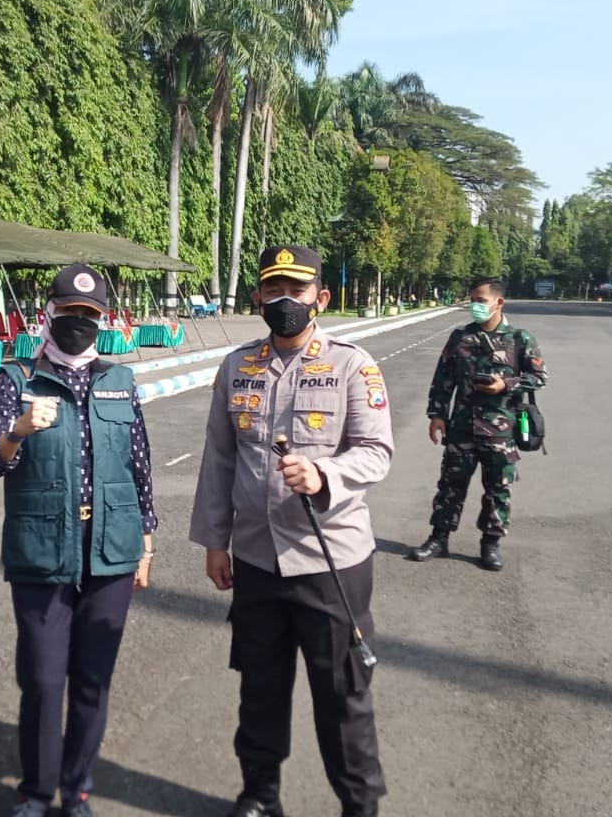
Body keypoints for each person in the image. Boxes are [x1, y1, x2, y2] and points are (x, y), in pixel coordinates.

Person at [190, 245, 394, 817]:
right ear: (257, 297)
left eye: (297, 291)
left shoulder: (353, 365)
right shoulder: (237, 366)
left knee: (342, 694)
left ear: (320, 299)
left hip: (330, 559)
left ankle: (360, 804)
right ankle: (259, 795)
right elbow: (219, 459)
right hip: (256, 557)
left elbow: (377, 451)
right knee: (259, 685)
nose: (285, 301)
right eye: (273, 290)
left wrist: (324, 472)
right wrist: (214, 540)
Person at [0, 263, 155, 817]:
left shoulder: (120, 382)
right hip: (42, 549)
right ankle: (36, 790)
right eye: (68, 312)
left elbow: (139, 465)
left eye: (89, 315)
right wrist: (17, 432)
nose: (78, 322)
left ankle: (76, 789)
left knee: (93, 680)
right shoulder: (16, 377)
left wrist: (146, 543)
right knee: (45, 680)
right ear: (47, 313)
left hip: (111, 549)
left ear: (103, 320)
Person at [407, 276, 548, 571]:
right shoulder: (460, 337)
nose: (475, 306)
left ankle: (490, 544)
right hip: (461, 427)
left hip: (500, 431)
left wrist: (505, 384)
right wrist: (436, 415)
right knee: (449, 486)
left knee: (498, 489)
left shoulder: (519, 339)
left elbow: (539, 377)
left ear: (499, 302)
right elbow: (443, 378)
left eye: (481, 301)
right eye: (472, 300)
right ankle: (438, 538)